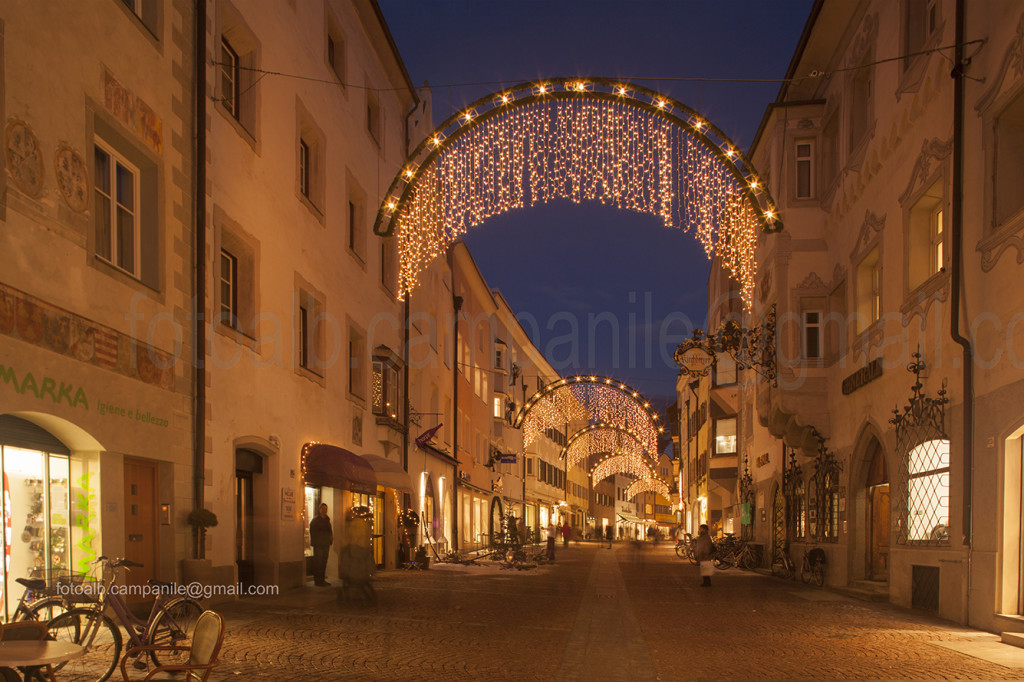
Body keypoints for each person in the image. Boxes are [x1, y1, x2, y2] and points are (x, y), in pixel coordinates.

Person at [309, 503, 333, 587]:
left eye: (326, 509)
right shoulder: (315, 520)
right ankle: (318, 580)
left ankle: (322, 579)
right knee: (318, 563)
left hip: (325, 544)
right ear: (319, 510)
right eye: (323, 509)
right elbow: (313, 532)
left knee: (323, 562)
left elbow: (330, 531)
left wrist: (330, 540)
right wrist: (316, 542)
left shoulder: (327, 519)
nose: (324, 511)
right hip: (319, 545)